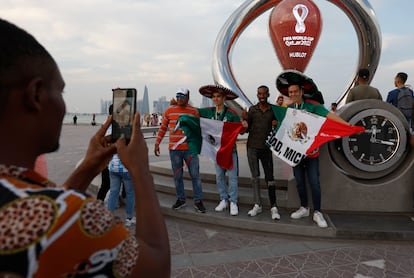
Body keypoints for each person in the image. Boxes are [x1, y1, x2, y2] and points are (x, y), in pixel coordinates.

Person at [0, 18, 170, 276]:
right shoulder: (72, 218)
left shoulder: (35, 208)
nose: (64, 106)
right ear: (36, 95)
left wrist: (88, 167)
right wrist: (141, 171)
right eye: (62, 92)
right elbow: (155, 268)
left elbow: (47, 213)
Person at [276, 71, 350, 228]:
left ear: (301, 91)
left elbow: (329, 116)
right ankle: (304, 208)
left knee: (314, 183)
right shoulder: (288, 109)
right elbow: (280, 126)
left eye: (295, 91)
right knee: (300, 182)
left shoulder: (313, 107)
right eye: (290, 92)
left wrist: (347, 126)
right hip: (295, 154)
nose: (293, 94)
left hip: (312, 154)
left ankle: (317, 212)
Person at [198, 84, 247, 216]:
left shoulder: (231, 114)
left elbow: (241, 131)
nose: (216, 99)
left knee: (232, 178)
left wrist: (243, 126)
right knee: (219, 177)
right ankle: (223, 199)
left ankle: (233, 202)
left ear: (224, 98)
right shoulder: (209, 112)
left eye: (218, 96)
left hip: (231, 152)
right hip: (216, 152)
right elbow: (195, 113)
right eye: (214, 96)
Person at [154, 88, 206, 213]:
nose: (179, 99)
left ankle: (198, 201)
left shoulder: (194, 111)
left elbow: (200, 129)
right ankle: (181, 199)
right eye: (177, 96)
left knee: (195, 176)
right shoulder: (169, 111)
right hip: (174, 151)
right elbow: (162, 128)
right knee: (178, 176)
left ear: (187, 97)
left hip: (190, 150)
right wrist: (157, 143)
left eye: (182, 96)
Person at [241, 85, 280, 220]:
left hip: (266, 148)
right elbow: (245, 130)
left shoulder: (273, 110)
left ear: (268, 94)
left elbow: (280, 127)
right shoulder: (252, 110)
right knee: (255, 177)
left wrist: (276, 123)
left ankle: (273, 206)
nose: (262, 96)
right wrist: (244, 120)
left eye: (264, 94)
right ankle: (257, 204)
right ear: (257, 95)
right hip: (252, 147)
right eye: (259, 94)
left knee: (270, 177)